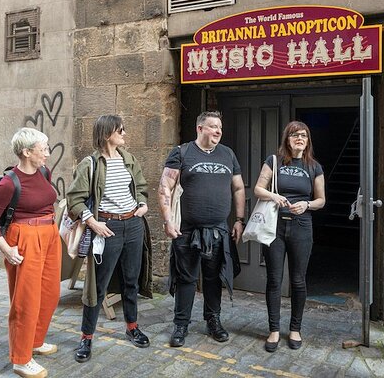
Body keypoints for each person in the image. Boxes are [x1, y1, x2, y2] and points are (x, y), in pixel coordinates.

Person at [66, 115, 152, 363]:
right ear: (106, 134)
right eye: (120, 130)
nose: (125, 133)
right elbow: (75, 199)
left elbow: (142, 187)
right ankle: (86, 338)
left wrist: (143, 204)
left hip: (133, 225)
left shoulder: (128, 159)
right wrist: (93, 222)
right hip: (107, 227)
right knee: (97, 287)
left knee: (131, 281)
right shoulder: (90, 164)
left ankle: (132, 327)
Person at [157, 111, 245, 348]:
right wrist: (168, 220)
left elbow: (238, 188)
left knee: (214, 278)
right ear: (200, 128)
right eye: (213, 126)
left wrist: (239, 219)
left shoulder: (228, 154)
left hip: (218, 230)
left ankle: (213, 320)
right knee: (186, 278)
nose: (218, 131)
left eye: (220, 127)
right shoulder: (182, 152)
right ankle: (181, 324)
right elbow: (165, 186)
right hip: (187, 230)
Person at [0, 128, 60, 378]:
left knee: (50, 293)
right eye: (43, 149)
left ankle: (35, 341)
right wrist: (6, 249)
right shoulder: (8, 183)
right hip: (24, 239)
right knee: (25, 300)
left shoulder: (44, 172)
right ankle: (21, 359)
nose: (48, 153)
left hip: (49, 235)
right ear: (27, 152)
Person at [252, 121, 325, 352]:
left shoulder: (314, 167)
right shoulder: (273, 161)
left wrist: (307, 204)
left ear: (308, 140)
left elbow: (321, 200)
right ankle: (274, 330)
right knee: (274, 279)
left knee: (298, 280)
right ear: (287, 139)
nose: (299, 139)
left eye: (303, 135)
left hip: (302, 226)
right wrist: (274, 197)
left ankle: (295, 329)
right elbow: (257, 189)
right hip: (275, 227)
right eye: (295, 135)